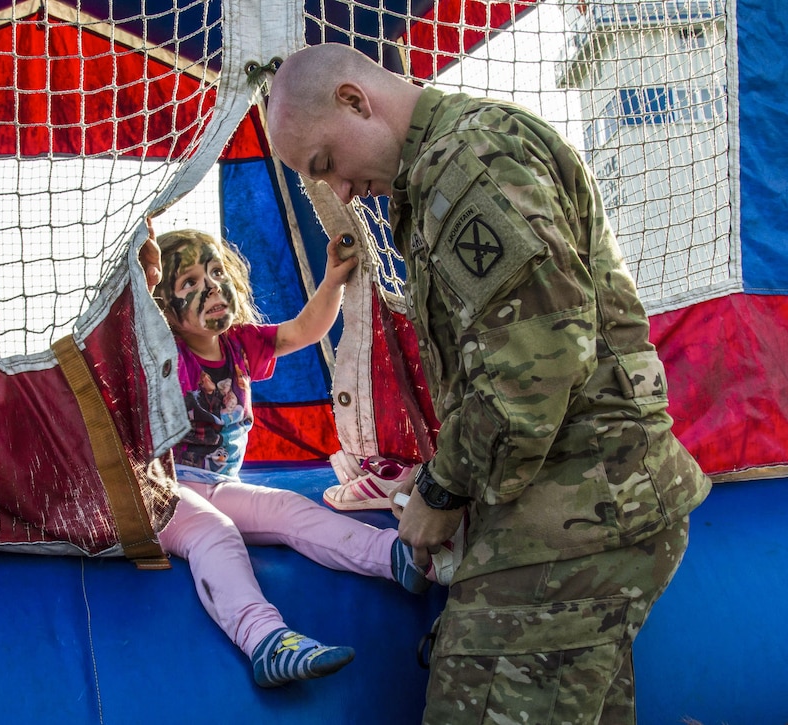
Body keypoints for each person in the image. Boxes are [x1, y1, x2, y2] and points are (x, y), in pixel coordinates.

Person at [266, 43, 711, 723]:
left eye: (328, 164)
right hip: (587, 508)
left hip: (574, 517)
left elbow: (538, 359)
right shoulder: (458, 158)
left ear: (357, 101)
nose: (344, 191)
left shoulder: (465, 167)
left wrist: (443, 489)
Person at [142, 227, 462, 688]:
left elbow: (305, 330)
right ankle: (266, 641)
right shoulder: (165, 354)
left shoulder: (239, 344)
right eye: (189, 283)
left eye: (216, 272)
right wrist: (143, 270)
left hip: (218, 484)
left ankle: (399, 559)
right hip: (165, 489)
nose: (211, 288)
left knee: (289, 508)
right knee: (215, 532)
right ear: (164, 310)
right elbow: (127, 339)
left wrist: (332, 281)